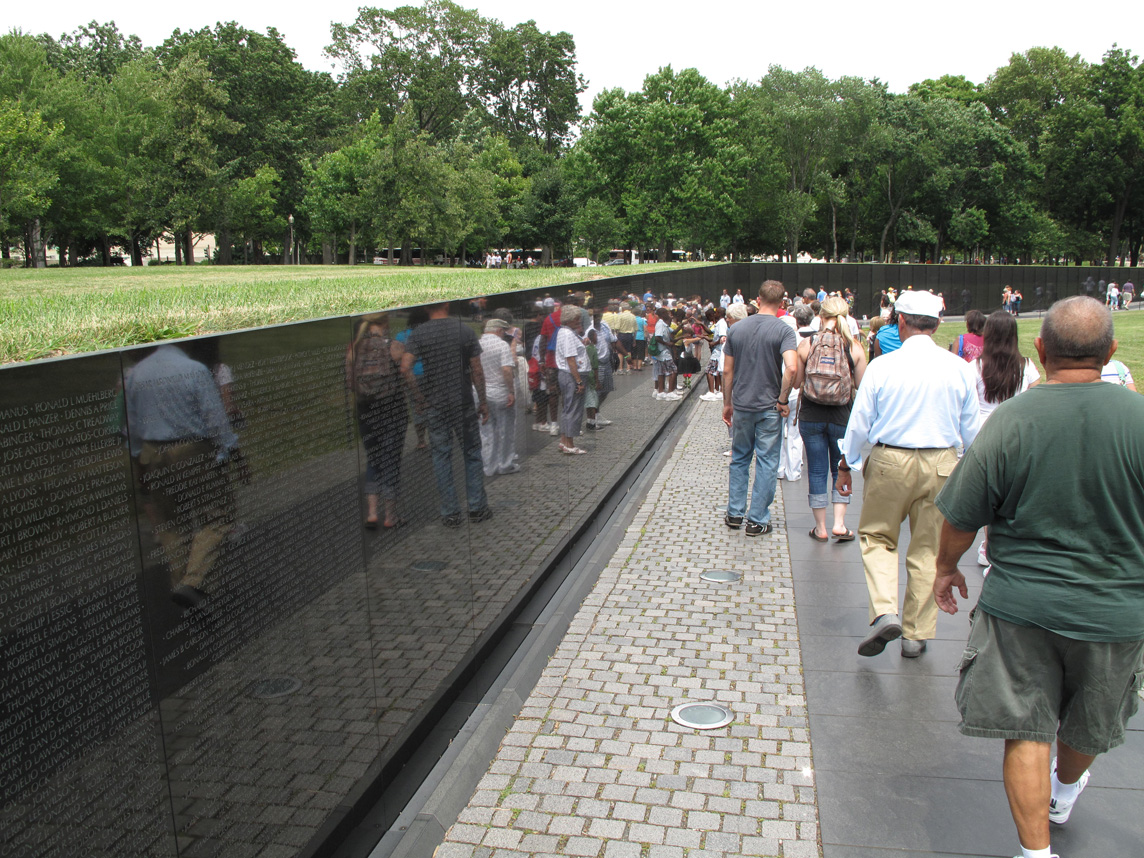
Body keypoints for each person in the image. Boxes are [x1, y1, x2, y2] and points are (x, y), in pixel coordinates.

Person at [933, 296, 1144, 858]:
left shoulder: (1011, 419)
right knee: (1088, 722)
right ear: (1113, 351)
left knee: (1025, 728)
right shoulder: (1139, 418)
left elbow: (960, 514)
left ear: (1042, 349)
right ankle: (1066, 788)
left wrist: (946, 567)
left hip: (1021, 607)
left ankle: (1036, 853)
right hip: (1116, 609)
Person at [837, 290, 980, 658]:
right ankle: (917, 633)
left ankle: (885, 609)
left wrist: (847, 461)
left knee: (877, 537)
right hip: (942, 462)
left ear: (901, 321)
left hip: (891, 460)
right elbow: (972, 430)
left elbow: (860, 422)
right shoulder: (960, 368)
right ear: (937, 324)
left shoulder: (884, 365)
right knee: (930, 548)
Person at [125, 343, 244, 609]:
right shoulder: (193, 369)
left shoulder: (136, 374)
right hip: (191, 450)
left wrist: (140, 464)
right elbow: (216, 419)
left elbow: (131, 427)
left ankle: (183, 588)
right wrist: (230, 453)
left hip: (152, 452)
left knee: (171, 525)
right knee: (218, 516)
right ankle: (193, 583)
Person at [402, 302, 492, 528]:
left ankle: (450, 512)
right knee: (471, 453)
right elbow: (477, 370)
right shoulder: (464, 329)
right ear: (447, 304)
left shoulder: (419, 333)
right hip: (462, 402)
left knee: (441, 456)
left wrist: (419, 398)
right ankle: (476, 507)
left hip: (435, 404)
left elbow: (405, 368)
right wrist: (482, 401)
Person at [722, 280, 797, 537]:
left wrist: (727, 403)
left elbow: (728, 370)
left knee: (740, 457)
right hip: (769, 407)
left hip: (742, 404)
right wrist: (783, 398)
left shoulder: (737, 329)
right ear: (782, 302)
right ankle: (757, 520)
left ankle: (734, 513)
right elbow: (793, 367)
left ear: (757, 298)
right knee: (766, 461)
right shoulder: (784, 330)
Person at [970, 310, 1041, 567]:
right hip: (1017, 432)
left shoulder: (976, 367)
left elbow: (968, 405)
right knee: (1013, 490)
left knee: (990, 491)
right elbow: (1035, 401)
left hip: (983, 432)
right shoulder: (1027, 366)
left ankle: (988, 544)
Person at [796, 297, 867, 541]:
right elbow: (860, 385)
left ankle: (820, 528)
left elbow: (796, 382)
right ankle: (839, 524)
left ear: (821, 316)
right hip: (841, 417)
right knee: (840, 467)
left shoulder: (808, 344)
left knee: (816, 470)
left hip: (811, 414)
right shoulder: (854, 347)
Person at [348, 314, 408, 529]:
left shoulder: (355, 348)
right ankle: (390, 516)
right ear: (385, 323)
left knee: (373, 458)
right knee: (391, 460)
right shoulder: (395, 346)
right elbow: (405, 375)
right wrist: (419, 399)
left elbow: (350, 383)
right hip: (392, 409)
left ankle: (372, 513)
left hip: (366, 409)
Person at [477, 318, 517, 476]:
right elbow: (506, 370)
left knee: (486, 430)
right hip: (499, 390)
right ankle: (505, 464)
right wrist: (511, 391)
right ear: (499, 330)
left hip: (481, 391)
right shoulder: (501, 345)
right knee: (505, 429)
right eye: (504, 331)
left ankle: (488, 466)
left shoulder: (477, 344)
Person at [554, 308, 589, 454]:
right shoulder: (568, 334)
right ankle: (569, 443)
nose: (579, 321)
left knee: (568, 409)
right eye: (576, 319)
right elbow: (570, 358)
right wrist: (579, 381)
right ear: (569, 320)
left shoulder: (565, 332)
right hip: (571, 375)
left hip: (567, 375)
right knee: (574, 410)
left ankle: (564, 441)